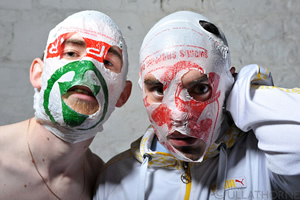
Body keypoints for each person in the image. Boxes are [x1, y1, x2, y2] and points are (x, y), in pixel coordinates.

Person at [94, 11, 300, 200]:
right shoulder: (114, 178)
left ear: (229, 86)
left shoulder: (265, 160)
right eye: (158, 88)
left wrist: (247, 96)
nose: (178, 115)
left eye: (201, 89)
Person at [0, 10, 132, 200]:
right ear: (38, 74)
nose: (88, 69)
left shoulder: (105, 184)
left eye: (107, 62)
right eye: (71, 53)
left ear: (122, 95)